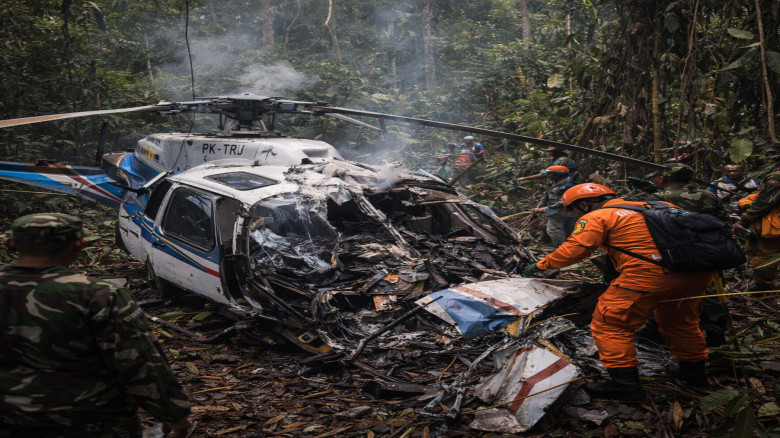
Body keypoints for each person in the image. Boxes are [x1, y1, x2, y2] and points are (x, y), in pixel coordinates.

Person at [0, 213, 192, 437]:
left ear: (10, 244)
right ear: (79, 244)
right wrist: (173, 415)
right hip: (90, 421)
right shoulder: (99, 295)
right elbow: (138, 362)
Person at [521, 184, 714, 401]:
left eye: (574, 210)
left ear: (584, 205)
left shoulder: (598, 216)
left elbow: (573, 251)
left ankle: (625, 386)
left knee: (611, 324)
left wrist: (540, 266)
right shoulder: (658, 206)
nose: (575, 215)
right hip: (697, 272)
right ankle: (693, 372)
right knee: (680, 321)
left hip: (651, 274)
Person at [734, 167, 780, 291]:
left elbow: (764, 202)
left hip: (773, 225)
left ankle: (762, 285)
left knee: (764, 254)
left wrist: (744, 220)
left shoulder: (775, 178)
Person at [647, 164, 730, 222]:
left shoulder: (657, 198)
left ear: (662, 179)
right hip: (710, 243)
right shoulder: (710, 196)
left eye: (655, 177)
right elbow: (724, 222)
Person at [532, 165, 577, 247]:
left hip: (563, 211)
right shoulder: (552, 183)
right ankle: (567, 249)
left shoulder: (568, 186)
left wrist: (544, 209)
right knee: (564, 230)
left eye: (549, 174)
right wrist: (539, 205)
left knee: (554, 230)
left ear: (557, 175)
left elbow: (564, 202)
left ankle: (561, 250)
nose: (547, 175)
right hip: (555, 211)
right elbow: (546, 195)